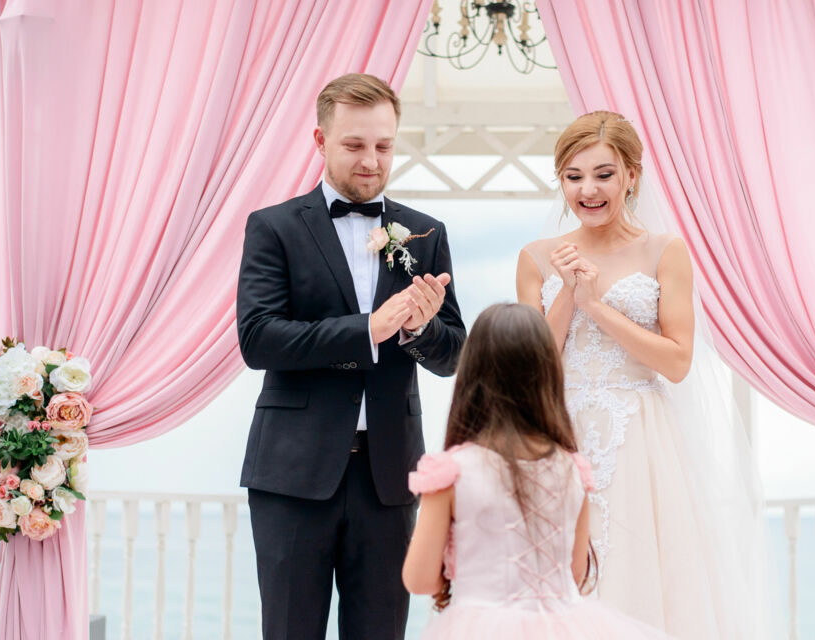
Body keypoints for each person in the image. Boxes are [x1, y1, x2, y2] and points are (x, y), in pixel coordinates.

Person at [515, 111, 770, 639]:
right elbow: (533, 365)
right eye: (574, 176)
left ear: (632, 174)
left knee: (642, 581)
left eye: (604, 174)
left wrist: (597, 305)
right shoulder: (538, 257)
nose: (588, 189)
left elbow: (678, 361)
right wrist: (567, 290)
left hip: (641, 440)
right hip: (560, 439)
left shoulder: (663, 250)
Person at [236, 73, 466, 640]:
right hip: (292, 475)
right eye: (354, 145)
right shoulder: (273, 227)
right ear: (319, 141)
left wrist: (417, 329)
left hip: (388, 477)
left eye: (383, 146)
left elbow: (453, 353)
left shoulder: (424, 232)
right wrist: (369, 328)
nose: (371, 161)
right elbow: (259, 338)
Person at [402, 303, 675, 639]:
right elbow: (574, 573)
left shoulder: (451, 473)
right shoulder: (572, 469)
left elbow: (420, 579)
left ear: (472, 376)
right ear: (547, 376)